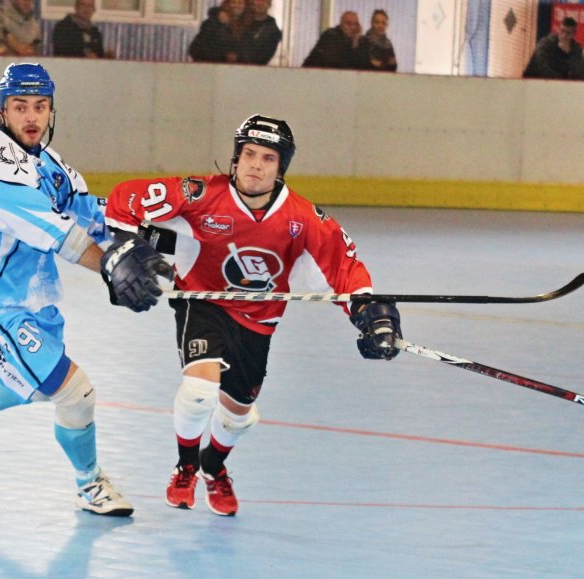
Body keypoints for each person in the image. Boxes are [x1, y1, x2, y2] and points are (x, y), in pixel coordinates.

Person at [102, 115, 403, 516]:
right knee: (199, 389)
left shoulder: (303, 219)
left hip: (259, 320)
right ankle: (186, 466)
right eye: (248, 154)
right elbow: (125, 197)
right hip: (202, 301)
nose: (255, 165)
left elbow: (343, 269)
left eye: (267, 158)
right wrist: (125, 244)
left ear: (281, 169)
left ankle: (213, 465)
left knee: (239, 416)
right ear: (236, 157)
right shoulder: (200, 195)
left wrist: (371, 312)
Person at [0, 63, 167, 517]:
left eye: (40, 106)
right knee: (73, 391)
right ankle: (90, 485)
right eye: (20, 106)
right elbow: (63, 235)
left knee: (39, 384)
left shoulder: (50, 164)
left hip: (36, 302)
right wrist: (112, 265)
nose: (31, 117)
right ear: (2, 111)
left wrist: (157, 241)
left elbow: (91, 214)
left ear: (51, 110)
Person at [238, 0, 282, 65]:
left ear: (269, 5)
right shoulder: (241, 22)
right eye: (258, 0)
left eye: (264, 1)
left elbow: (265, 56)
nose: (260, 3)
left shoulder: (273, 31)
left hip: (258, 68)